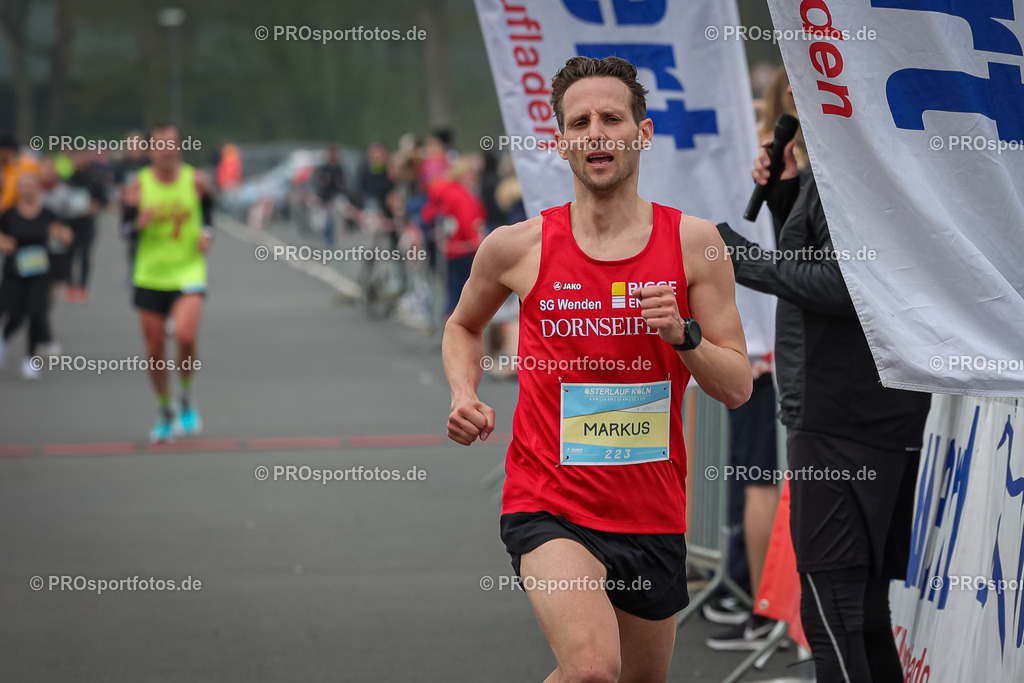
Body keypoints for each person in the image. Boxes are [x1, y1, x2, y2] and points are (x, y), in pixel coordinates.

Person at [443, 56, 752, 682]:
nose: (595, 133)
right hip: (548, 500)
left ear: (643, 132)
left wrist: (684, 335)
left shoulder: (696, 245)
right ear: (561, 142)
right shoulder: (517, 246)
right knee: (589, 670)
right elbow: (463, 325)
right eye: (579, 122)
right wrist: (462, 391)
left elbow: (738, 386)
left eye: (612, 118)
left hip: (651, 510)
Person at [716, 86, 931, 681]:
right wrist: (787, 197)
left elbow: (845, 285)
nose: (794, 104)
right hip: (872, 412)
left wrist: (737, 258)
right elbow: (836, 261)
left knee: (833, 612)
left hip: (843, 416)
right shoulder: (854, 164)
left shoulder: (853, 170)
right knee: (858, 609)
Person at [123, 123, 215, 443]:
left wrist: (207, 234)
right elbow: (124, 229)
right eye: (161, 144)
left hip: (189, 271)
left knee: (186, 335)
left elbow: (208, 214)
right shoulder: (138, 185)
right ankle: (164, 409)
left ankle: (186, 396)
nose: (168, 149)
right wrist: (137, 224)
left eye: (173, 142)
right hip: (150, 274)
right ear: (150, 150)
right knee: (154, 349)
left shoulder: (196, 180)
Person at [0, 172, 73, 378]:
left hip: (41, 271)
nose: (27, 189)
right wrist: (4, 243)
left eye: (31, 185)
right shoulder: (9, 214)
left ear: (37, 189)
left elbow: (66, 237)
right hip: (14, 271)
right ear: (18, 189)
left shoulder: (48, 214)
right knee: (13, 312)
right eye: (23, 186)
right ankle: (4, 339)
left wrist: (61, 235)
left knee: (36, 312)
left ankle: (31, 358)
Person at [64, 151, 106, 304]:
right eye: (76, 157)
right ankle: (70, 285)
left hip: (87, 222)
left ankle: (82, 287)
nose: (79, 160)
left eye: (82, 157)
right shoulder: (67, 180)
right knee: (69, 255)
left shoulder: (94, 179)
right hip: (70, 222)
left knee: (85, 255)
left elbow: (103, 198)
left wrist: (95, 206)